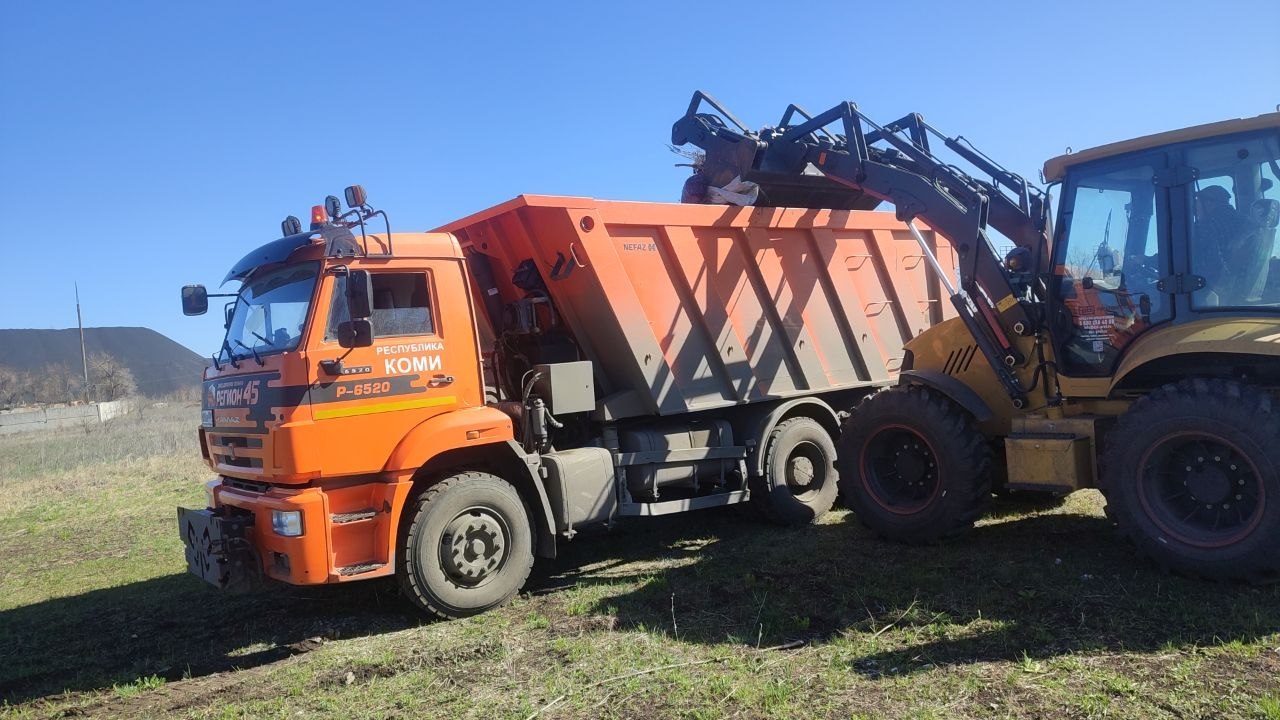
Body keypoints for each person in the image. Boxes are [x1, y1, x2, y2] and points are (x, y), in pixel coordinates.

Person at [1193, 185, 1258, 303]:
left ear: (1209, 203)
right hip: (1242, 289)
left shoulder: (1206, 226)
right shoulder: (1246, 221)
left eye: (1197, 202)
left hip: (1217, 292)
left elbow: (1189, 258)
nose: (1195, 207)